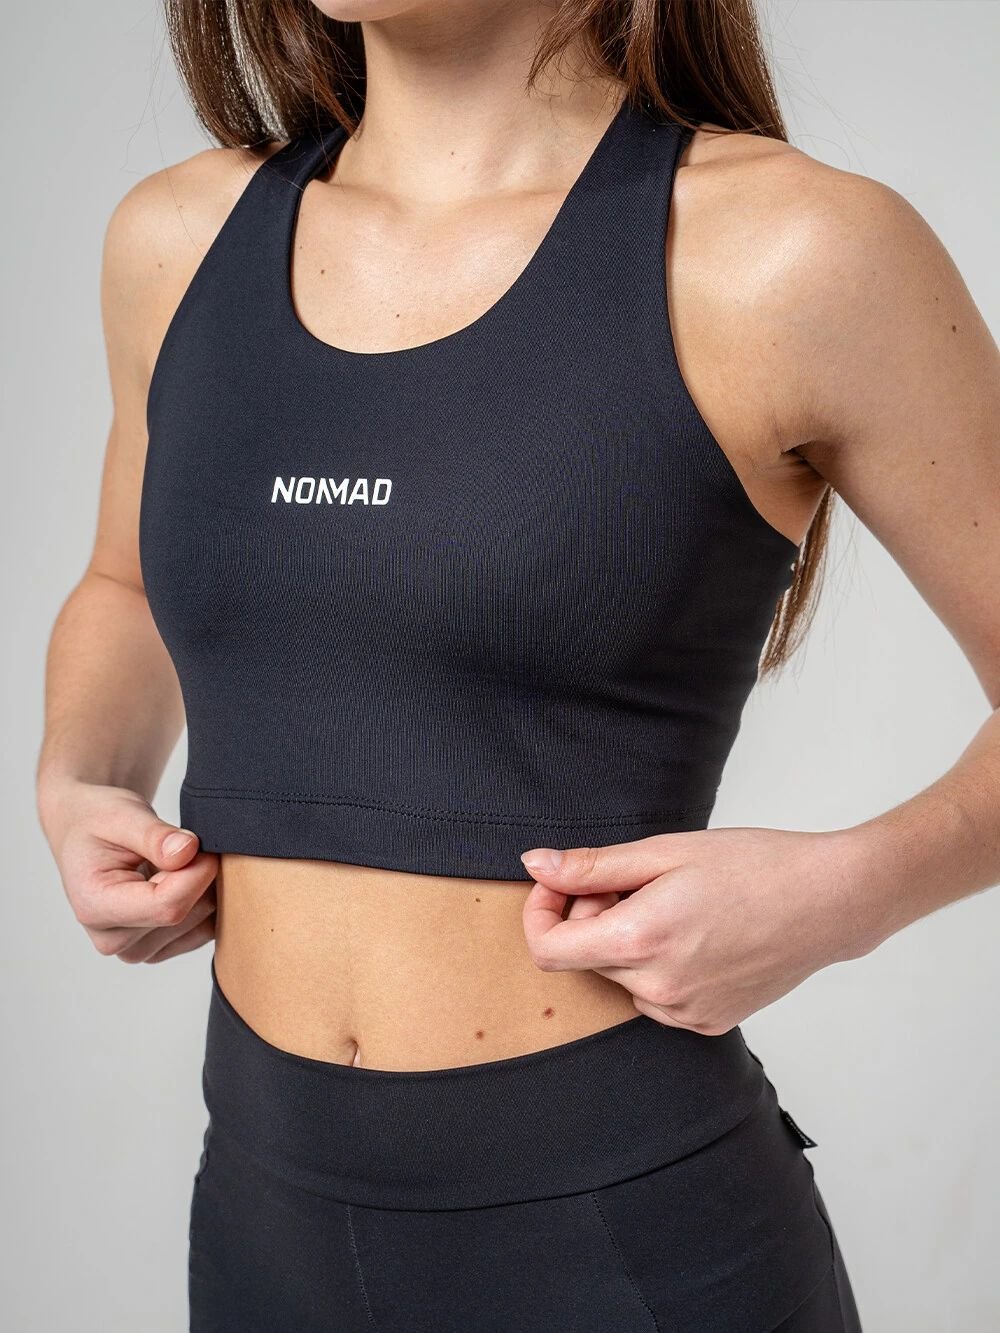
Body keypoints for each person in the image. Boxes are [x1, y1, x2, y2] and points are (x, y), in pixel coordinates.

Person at [35, 2, 999, 1330]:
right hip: (261, 1228)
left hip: (623, 1243)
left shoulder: (788, 250)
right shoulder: (179, 239)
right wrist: (78, 777)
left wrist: (848, 894)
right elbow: (129, 582)